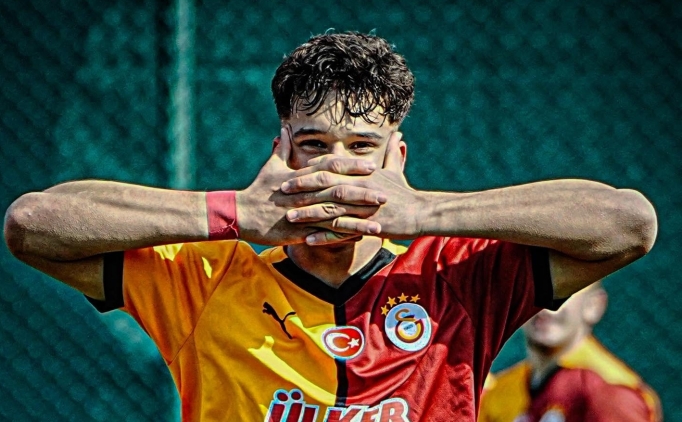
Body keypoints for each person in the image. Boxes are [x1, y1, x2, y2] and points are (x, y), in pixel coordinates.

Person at [3, 32, 658, 422]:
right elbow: (33, 224)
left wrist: (428, 212)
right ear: (280, 153)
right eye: (314, 145)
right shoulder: (205, 281)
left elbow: (628, 223)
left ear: (397, 158)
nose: (336, 169)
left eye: (362, 147)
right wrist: (234, 213)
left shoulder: (458, 276)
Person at [479, 282, 663, 422]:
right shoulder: (499, 391)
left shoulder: (608, 390)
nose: (545, 309)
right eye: (535, 292)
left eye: (561, 294)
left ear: (593, 305)